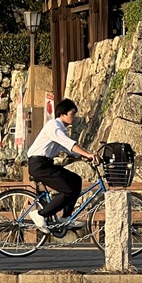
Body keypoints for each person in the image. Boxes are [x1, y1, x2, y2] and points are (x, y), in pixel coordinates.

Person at [25, 98, 99, 233]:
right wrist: (87, 154)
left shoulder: (61, 129)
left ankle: (66, 217)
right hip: (39, 165)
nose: (75, 117)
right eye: (72, 114)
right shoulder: (53, 126)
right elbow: (69, 143)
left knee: (76, 180)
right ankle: (40, 214)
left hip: (46, 164)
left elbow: (68, 149)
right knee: (68, 190)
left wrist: (83, 156)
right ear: (63, 114)